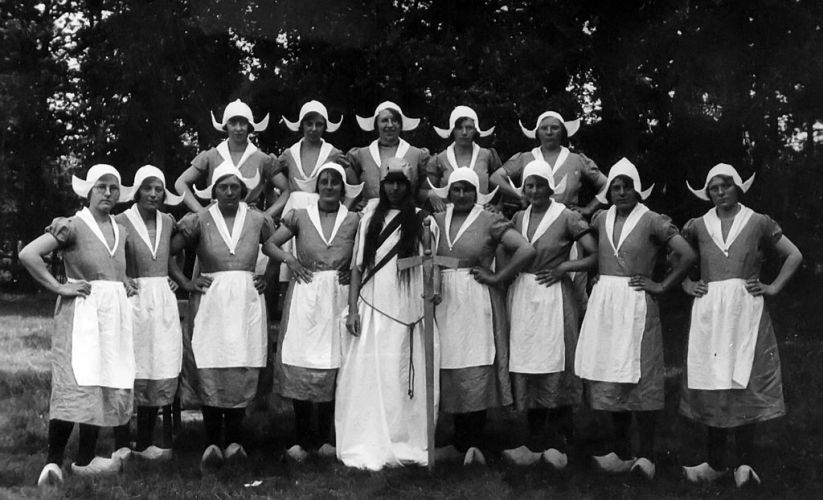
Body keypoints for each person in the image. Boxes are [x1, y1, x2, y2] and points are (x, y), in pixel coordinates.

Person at [679, 164, 802, 487]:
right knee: (712, 380)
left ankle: (745, 464)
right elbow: (674, 255)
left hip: (745, 310)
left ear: (737, 188)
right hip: (710, 311)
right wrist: (686, 283)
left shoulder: (757, 221)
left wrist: (773, 286)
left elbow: (794, 255)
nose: (720, 193)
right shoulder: (698, 225)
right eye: (714, 189)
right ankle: (716, 462)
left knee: (743, 380)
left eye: (725, 187)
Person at [574, 158, 695, 480]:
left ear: (638, 189)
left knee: (641, 377)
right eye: (616, 186)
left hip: (637, 304)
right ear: (609, 190)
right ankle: (621, 451)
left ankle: (647, 455)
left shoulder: (653, 220)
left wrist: (662, 285)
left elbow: (686, 254)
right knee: (614, 376)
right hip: (606, 304)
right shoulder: (600, 218)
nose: (622, 191)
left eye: (628, 185)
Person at [21, 164, 135, 486]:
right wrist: (59, 287)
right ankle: (53, 462)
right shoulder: (73, 225)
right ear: (89, 190)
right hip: (82, 314)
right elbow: (30, 254)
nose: (109, 193)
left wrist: (124, 282)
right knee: (75, 382)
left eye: (114, 187)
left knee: (101, 382)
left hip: (112, 316)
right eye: (102, 187)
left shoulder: (120, 228)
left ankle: (85, 459)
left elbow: (110, 267)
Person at [170, 162, 277, 473]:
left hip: (245, 299)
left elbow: (273, 248)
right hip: (212, 300)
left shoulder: (258, 219)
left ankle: (235, 440)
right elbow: (167, 250)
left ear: (243, 191)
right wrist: (187, 282)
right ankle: (212, 441)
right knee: (211, 364)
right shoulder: (199, 219)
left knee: (240, 365)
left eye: (234, 187)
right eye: (222, 187)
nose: (229, 192)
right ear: (213, 191)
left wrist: (267, 276)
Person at [426, 167, 533, 465]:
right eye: (456, 189)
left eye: (467, 190)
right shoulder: (435, 220)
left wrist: (499, 277)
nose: (461, 195)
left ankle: (474, 441)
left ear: (476, 192)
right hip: (445, 298)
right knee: (450, 361)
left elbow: (525, 250)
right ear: (448, 192)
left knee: (475, 361)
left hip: (475, 298)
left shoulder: (489, 219)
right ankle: (459, 442)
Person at [335, 157, 436, 470]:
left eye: (400, 182)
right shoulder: (369, 219)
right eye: (390, 181)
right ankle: (371, 437)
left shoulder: (420, 218)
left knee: (403, 373)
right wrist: (352, 309)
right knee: (372, 372)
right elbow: (357, 268)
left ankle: (405, 437)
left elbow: (431, 261)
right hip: (374, 302)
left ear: (408, 186)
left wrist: (429, 237)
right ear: (383, 184)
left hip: (407, 307)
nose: (394, 187)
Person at [501, 160, 598, 469]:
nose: (533, 191)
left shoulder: (567, 216)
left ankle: (557, 443)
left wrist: (564, 268)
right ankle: (533, 441)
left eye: (539, 185)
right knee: (529, 364)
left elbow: (593, 252)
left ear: (549, 187)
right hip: (525, 296)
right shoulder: (518, 216)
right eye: (528, 185)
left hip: (555, 296)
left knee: (557, 363)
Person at [267, 163, 362, 462]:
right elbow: (269, 244)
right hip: (307, 293)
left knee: (335, 362)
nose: (330, 186)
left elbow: (367, 253)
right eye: (324, 181)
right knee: (303, 360)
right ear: (317, 186)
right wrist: (290, 261)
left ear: (343, 188)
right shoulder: (300, 215)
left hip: (338, 295)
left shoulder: (355, 220)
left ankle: (325, 438)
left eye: (335, 182)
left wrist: (352, 271)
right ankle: (300, 437)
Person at [490, 110, 607, 312]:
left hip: (566, 230)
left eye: (555, 128)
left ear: (563, 131)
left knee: (576, 290)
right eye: (544, 128)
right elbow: (495, 178)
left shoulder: (576, 159)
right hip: (532, 223)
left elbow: (607, 184)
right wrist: (519, 196)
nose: (550, 132)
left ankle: (573, 333)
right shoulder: (525, 158)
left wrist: (589, 208)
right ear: (537, 132)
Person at [111, 165, 184, 462]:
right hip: (132, 299)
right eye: (147, 188)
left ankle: (144, 442)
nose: (153, 194)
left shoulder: (168, 221)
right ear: (137, 190)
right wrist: (121, 277)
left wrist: (174, 277)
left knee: (156, 364)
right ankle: (121, 443)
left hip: (161, 300)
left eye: (158, 189)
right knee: (128, 366)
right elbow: (109, 252)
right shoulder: (120, 220)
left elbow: (177, 251)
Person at [174, 99, 285, 217]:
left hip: (249, 221)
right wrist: (200, 211)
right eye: (233, 123)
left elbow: (287, 189)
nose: (238, 128)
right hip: (216, 218)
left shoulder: (262, 159)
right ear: (226, 126)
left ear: (249, 126)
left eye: (242, 123)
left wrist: (267, 215)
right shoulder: (211, 156)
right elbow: (180, 183)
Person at [274, 100, 346, 281]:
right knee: (288, 268)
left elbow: (351, 186)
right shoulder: (289, 154)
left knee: (316, 265)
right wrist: (276, 203)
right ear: (301, 125)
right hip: (293, 211)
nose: (314, 128)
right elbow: (269, 176)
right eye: (309, 123)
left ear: (325, 126)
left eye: (319, 124)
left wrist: (342, 210)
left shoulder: (334, 153)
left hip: (320, 212)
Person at [346, 101, 431, 211]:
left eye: (394, 120)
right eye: (384, 120)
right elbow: (351, 189)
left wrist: (430, 194)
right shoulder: (360, 155)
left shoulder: (417, 154)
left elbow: (424, 189)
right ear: (376, 124)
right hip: (369, 216)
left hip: (406, 215)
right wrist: (357, 204)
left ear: (400, 124)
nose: (390, 125)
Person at [428, 105, 502, 212]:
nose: (464, 132)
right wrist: (432, 194)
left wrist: (499, 206)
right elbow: (423, 189)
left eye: (469, 128)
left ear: (475, 130)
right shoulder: (439, 159)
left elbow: (503, 183)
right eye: (459, 128)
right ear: (452, 130)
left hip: (480, 216)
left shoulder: (487, 155)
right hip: (448, 216)